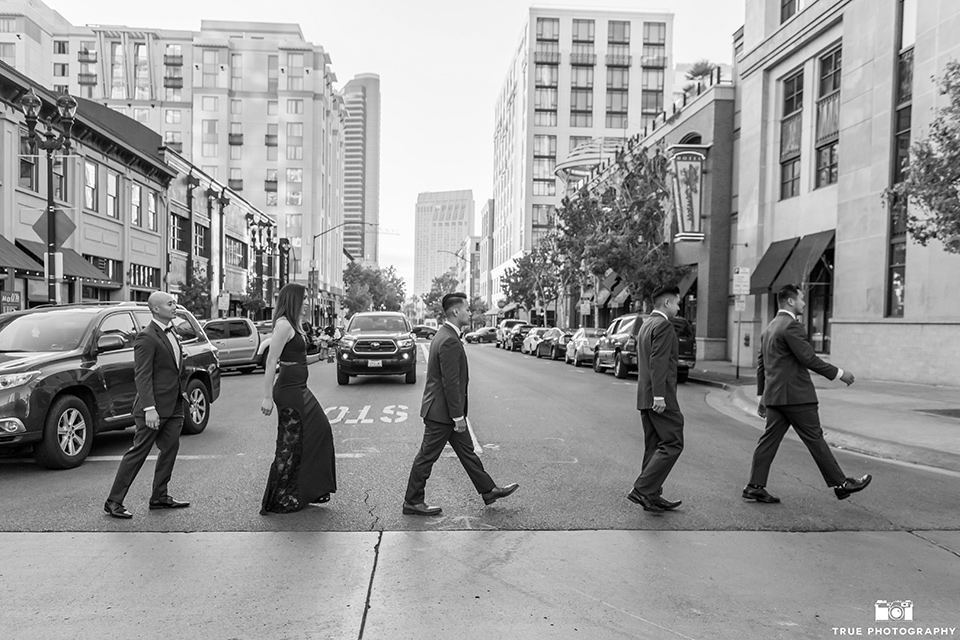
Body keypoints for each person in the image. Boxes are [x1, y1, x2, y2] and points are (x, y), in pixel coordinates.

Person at [744, 284, 872, 504]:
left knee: (767, 442)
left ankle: (755, 486)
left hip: (775, 397)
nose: (804, 302)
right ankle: (841, 484)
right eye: (802, 299)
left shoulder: (770, 328)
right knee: (815, 439)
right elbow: (808, 358)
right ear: (791, 301)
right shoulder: (791, 326)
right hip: (797, 397)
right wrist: (839, 373)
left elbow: (761, 365)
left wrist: (761, 397)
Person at [403, 292, 519, 516]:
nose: (470, 312)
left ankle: (489, 490)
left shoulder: (446, 334)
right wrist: (458, 417)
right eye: (467, 309)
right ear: (456, 311)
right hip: (442, 413)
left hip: (444, 411)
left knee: (468, 454)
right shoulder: (448, 340)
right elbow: (450, 383)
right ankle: (412, 501)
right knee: (426, 457)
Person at [104, 291, 189, 519]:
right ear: (156, 309)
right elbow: (142, 375)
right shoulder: (146, 337)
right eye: (170, 303)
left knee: (170, 450)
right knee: (138, 453)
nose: (175, 306)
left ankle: (159, 496)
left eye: (174, 302)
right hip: (152, 409)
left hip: (174, 406)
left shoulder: (173, 332)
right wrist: (149, 408)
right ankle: (114, 501)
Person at [260, 283, 337, 514]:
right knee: (290, 443)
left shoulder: (295, 325)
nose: (306, 302)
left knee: (317, 432)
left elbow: (298, 360)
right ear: (292, 300)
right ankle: (280, 497)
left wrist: (321, 357)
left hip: (299, 387)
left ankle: (307, 489)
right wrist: (267, 397)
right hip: (288, 391)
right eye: (303, 298)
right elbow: (272, 360)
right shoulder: (283, 325)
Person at [627, 284, 685, 513]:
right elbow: (658, 362)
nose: (679, 307)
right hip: (660, 397)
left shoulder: (646, 324)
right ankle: (643, 489)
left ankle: (651, 495)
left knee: (654, 446)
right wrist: (660, 396)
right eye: (678, 302)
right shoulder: (663, 326)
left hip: (645, 396)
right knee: (673, 442)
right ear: (667, 303)